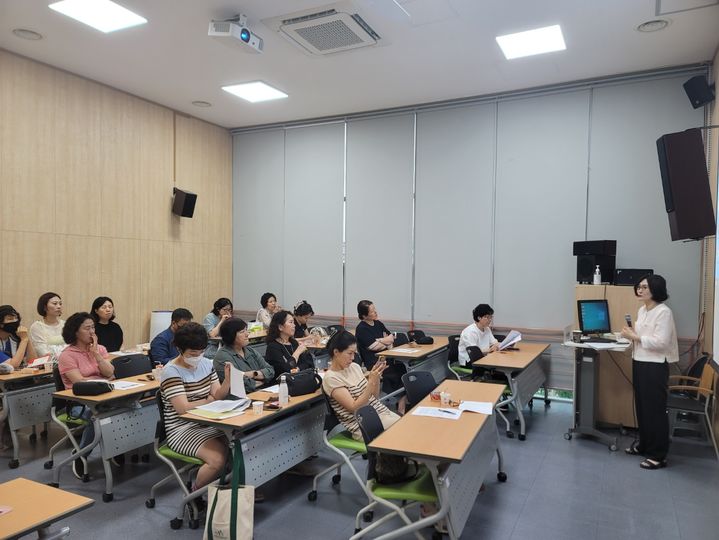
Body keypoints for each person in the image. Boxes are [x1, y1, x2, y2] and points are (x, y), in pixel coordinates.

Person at [160, 322, 232, 490]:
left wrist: (227, 381)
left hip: (207, 421)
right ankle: (195, 495)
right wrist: (208, 401)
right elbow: (183, 409)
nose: (198, 356)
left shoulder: (206, 363)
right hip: (182, 429)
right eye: (193, 352)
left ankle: (228, 487)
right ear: (179, 348)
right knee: (217, 460)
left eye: (201, 351)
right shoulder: (171, 371)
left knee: (237, 446)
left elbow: (217, 395)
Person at [621, 274, 678, 470]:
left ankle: (658, 455)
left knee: (655, 411)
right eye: (639, 287)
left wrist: (634, 337)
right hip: (640, 361)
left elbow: (661, 342)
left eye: (645, 287)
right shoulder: (642, 310)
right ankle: (644, 445)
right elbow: (640, 337)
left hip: (655, 365)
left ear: (656, 290)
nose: (640, 290)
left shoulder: (664, 312)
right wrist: (629, 337)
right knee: (643, 408)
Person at [57, 312, 115, 479]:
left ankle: (117, 447)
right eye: (87, 328)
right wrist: (103, 380)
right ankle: (81, 454)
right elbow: (80, 384)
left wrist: (96, 354)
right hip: (78, 404)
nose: (92, 332)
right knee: (95, 414)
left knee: (128, 406)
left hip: (104, 397)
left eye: (93, 327)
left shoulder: (100, 349)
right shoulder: (67, 355)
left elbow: (110, 371)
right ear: (75, 331)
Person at [322, 331, 399, 441]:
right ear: (336, 352)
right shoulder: (331, 378)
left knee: (409, 426)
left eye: (354, 353)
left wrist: (376, 379)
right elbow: (355, 408)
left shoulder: (354, 367)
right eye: (350, 353)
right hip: (363, 425)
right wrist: (371, 381)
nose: (353, 358)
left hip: (381, 413)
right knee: (405, 432)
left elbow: (374, 397)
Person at [355, 300, 406, 413]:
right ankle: (399, 407)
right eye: (372, 311)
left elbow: (391, 338)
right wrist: (385, 342)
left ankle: (401, 404)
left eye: (375, 310)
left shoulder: (378, 323)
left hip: (386, 359)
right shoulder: (361, 329)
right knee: (397, 372)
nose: (375, 312)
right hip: (374, 363)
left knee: (402, 368)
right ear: (364, 315)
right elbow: (374, 347)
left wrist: (381, 340)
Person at [213, 318, 274, 396]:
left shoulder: (249, 350)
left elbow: (270, 370)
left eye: (246, 330)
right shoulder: (222, 356)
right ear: (231, 335)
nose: (247, 334)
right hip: (238, 400)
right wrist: (262, 379)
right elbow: (240, 384)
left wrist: (253, 374)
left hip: (260, 393)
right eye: (242, 332)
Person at [264, 311, 314, 377]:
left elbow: (308, 363)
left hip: (299, 379)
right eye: (291, 322)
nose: (294, 325)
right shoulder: (273, 347)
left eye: (293, 322)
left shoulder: (294, 343)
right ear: (280, 327)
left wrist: (296, 369)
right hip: (281, 384)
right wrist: (297, 352)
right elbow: (286, 370)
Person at [29, 292, 66, 359]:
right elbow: (42, 352)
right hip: (47, 365)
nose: (59, 306)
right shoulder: (37, 327)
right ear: (44, 307)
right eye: (55, 303)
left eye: (60, 304)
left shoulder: (65, 324)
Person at [0, 305, 37, 369]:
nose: (15, 321)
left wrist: (26, 338)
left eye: (16, 318)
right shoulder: (22, 339)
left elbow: (34, 362)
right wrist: (24, 340)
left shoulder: (17, 337)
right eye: (10, 319)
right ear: (1, 324)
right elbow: (12, 365)